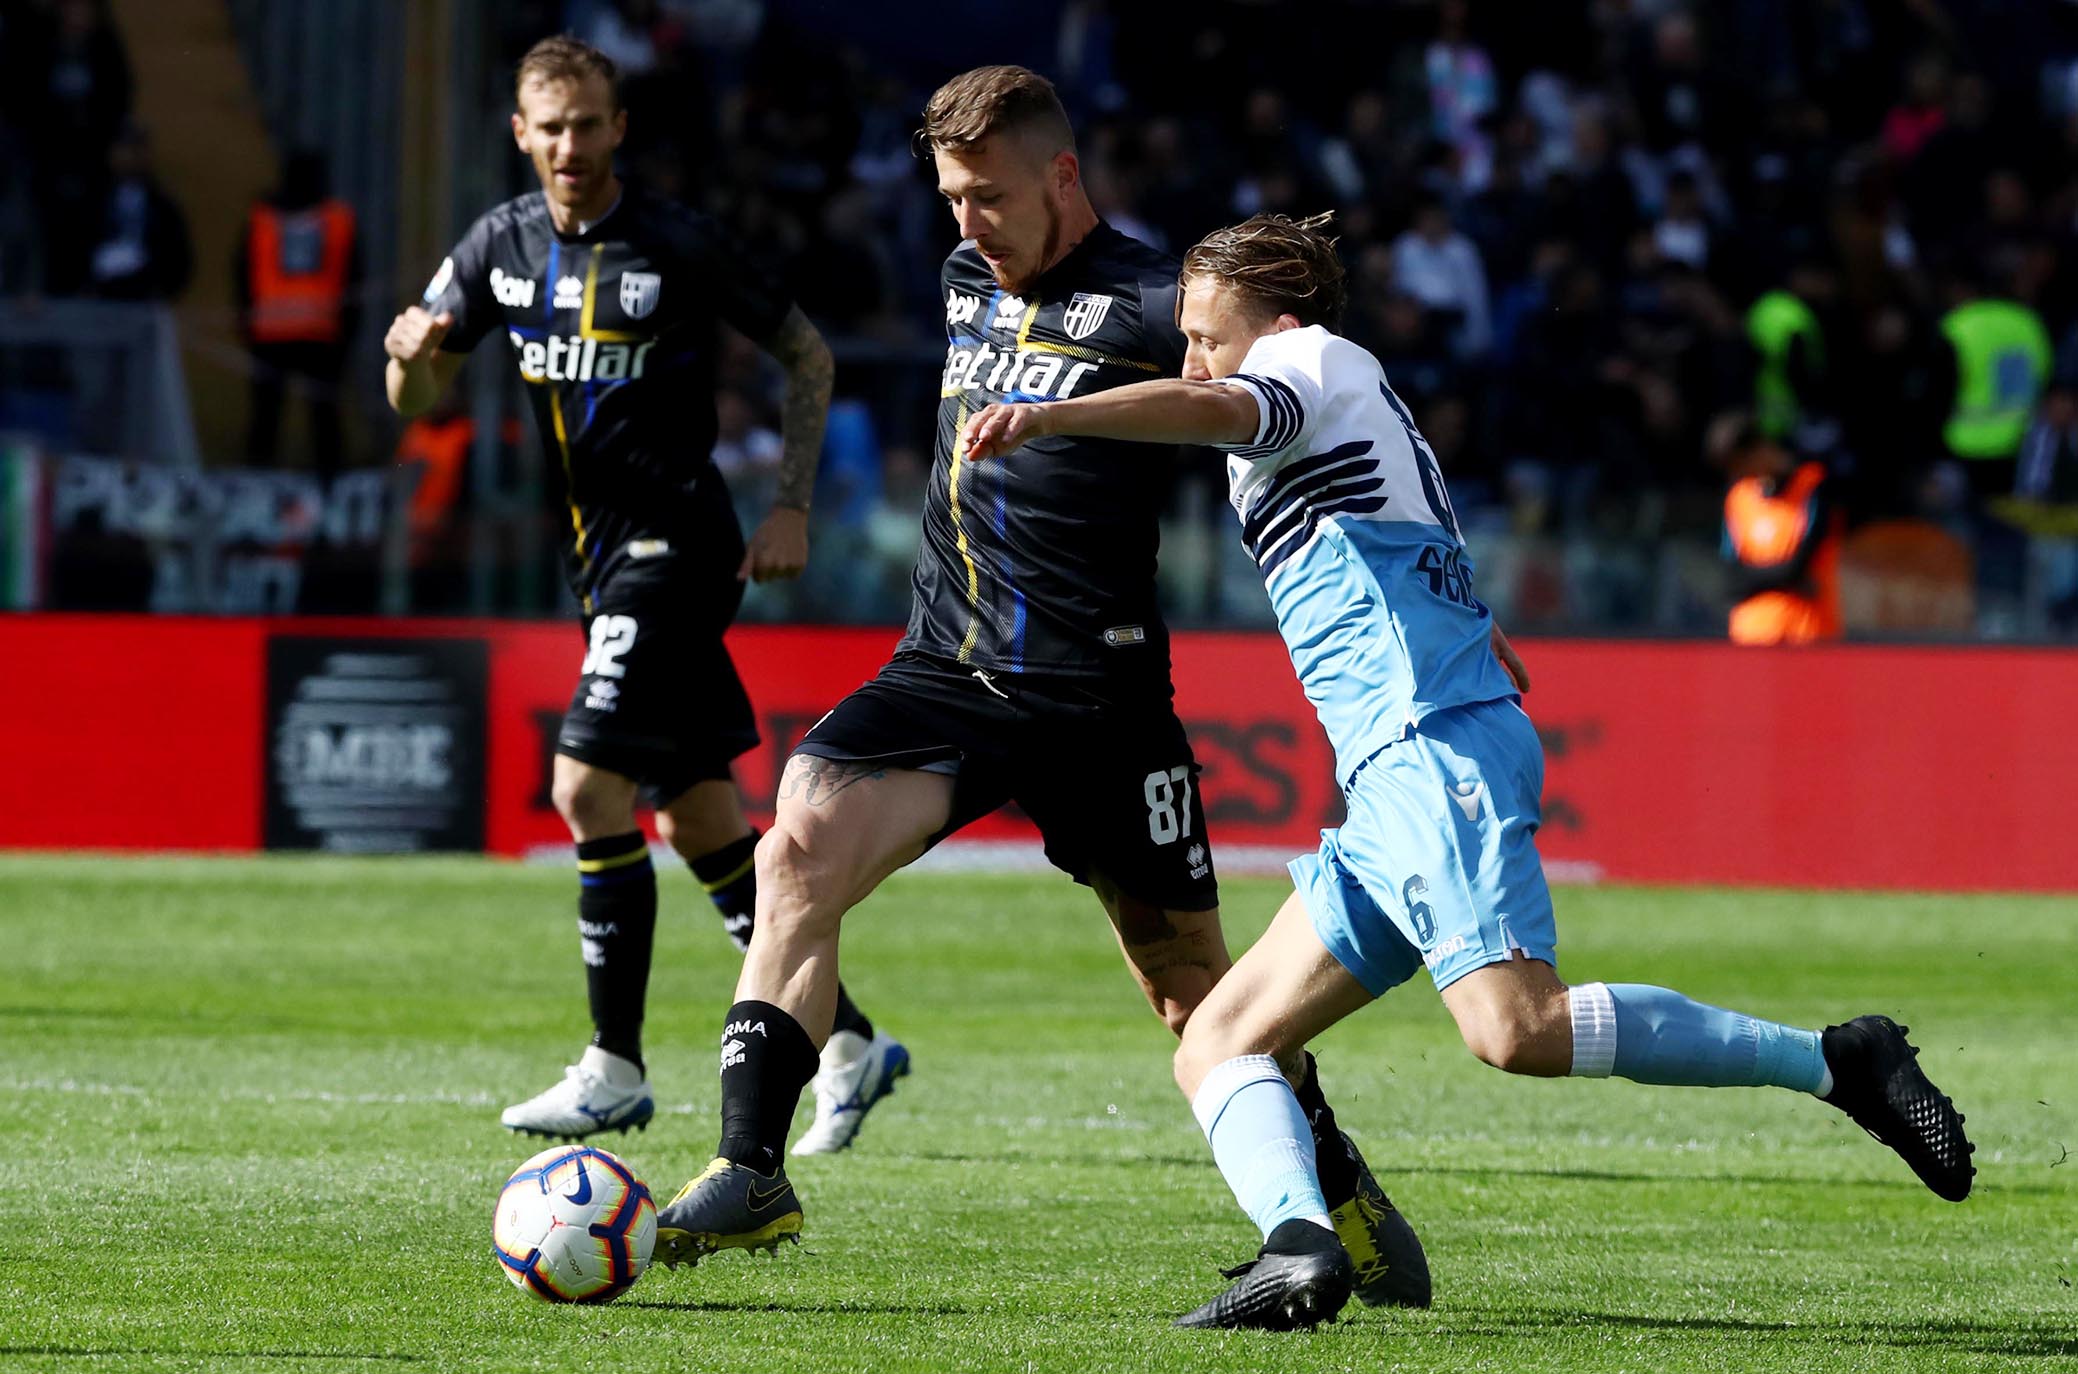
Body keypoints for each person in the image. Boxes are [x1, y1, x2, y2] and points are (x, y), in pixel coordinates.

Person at [960, 212, 1975, 1330]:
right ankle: (1298, 1248)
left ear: (1278, 323)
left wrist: (1054, 412)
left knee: (1513, 1029)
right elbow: (1394, 526)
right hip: (1396, 770)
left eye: (1208, 336)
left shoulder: (1307, 361)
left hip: (1427, 747)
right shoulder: (1344, 395)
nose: (1195, 361)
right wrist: (1470, 624)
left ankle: (1836, 1061)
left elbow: (1222, 409)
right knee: (1218, 1041)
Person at [652, 67, 1456, 1312]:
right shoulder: (963, 277)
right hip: (945, 667)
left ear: (1062, 176)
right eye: (950, 198)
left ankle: (1333, 1188)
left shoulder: (1158, 302)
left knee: (1194, 995)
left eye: (989, 196)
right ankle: (750, 1166)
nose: (966, 222)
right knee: (794, 846)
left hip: (1098, 697)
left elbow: (1283, 401)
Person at [383, 34, 895, 1151]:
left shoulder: (674, 240)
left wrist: (790, 506)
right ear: (521, 135)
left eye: (588, 124)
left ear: (618, 128)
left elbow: (807, 355)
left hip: (677, 549)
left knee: (583, 789)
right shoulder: (499, 245)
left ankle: (613, 1066)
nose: (570, 145)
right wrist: (413, 354)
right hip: (595, 562)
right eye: (550, 127)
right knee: (700, 819)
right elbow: (413, 398)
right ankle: (850, 1043)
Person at [241, 149, 360, 479]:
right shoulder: (338, 219)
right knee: (323, 419)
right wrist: (348, 332)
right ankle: (330, 487)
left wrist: (248, 326)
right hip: (321, 332)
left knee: (267, 419)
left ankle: (257, 485)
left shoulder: (263, 217)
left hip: (271, 331)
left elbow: (243, 274)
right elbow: (354, 277)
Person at [1711, 413, 1843, 645]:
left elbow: (1800, 567)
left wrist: (1756, 580)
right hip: (1751, 636)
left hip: (1808, 635)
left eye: (1740, 465)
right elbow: (1731, 580)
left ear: (1759, 450)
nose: (1739, 475)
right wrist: (1790, 581)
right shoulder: (1738, 499)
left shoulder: (1812, 488)